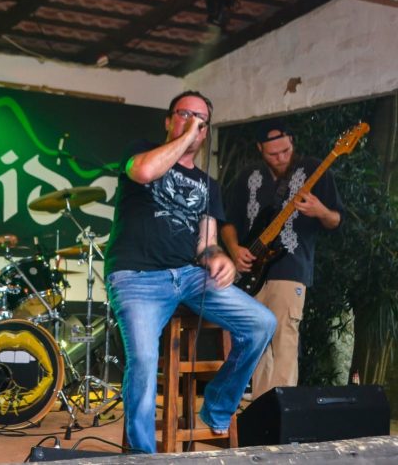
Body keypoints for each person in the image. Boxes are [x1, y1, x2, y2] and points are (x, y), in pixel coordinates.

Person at [104, 90, 276, 454]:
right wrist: (185, 138)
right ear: (168, 121)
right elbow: (145, 172)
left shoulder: (209, 185)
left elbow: (206, 244)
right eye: (184, 114)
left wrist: (218, 257)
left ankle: (217, 407)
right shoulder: (142, 150)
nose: (193, 123)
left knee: (262, 323)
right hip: (136, 277)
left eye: (201, 120)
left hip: (188, 276)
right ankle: (142, 457)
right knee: (144, 360)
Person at [221, 119, 343, 400]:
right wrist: (235, 249)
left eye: (286, 151)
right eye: (273, 154)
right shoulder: (248, 175)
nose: (281, 158)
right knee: (256, 341)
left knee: (284, 340)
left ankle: (282, 410)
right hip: (251, 270)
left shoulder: (314, 169)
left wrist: (321, 211)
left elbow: (337, 220)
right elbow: (229, 221)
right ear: (260, 149)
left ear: (292, 142)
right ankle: (261, 407)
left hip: (290, 268)